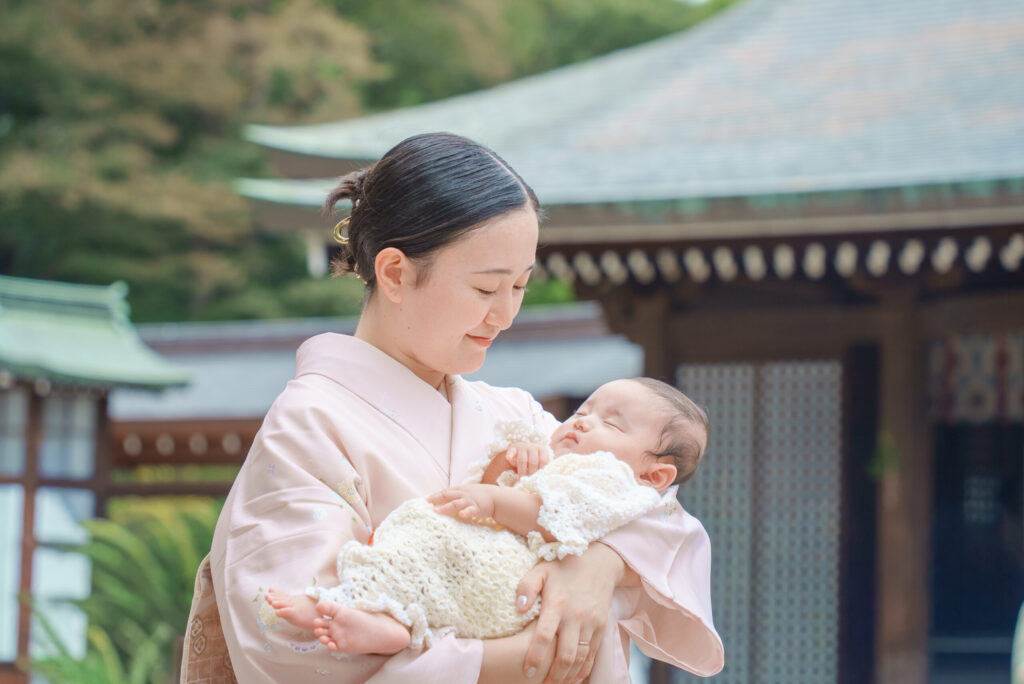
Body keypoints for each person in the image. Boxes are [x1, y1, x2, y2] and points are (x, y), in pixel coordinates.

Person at [179, 132, 724, 683]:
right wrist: (518, 660)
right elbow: (294, 638)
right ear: (395, 273)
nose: (506, 315)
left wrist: (602, 566)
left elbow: (649, 505)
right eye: (487, 289)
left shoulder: (517, 415)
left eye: (520, 287)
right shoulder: (310, 426)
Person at [264, 377, 708, 657]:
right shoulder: (555, 449)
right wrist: (509, 464)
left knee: (432, 549)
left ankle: (361, 609)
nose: (581, 422)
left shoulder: (614, 485)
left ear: (655, 475)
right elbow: (499, 490)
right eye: (583, 410)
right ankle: (378, 618)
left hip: (511, 578)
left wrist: (495, 502)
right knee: (423, 547)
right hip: (493, 559)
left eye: (612, 424)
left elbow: (551, 516)